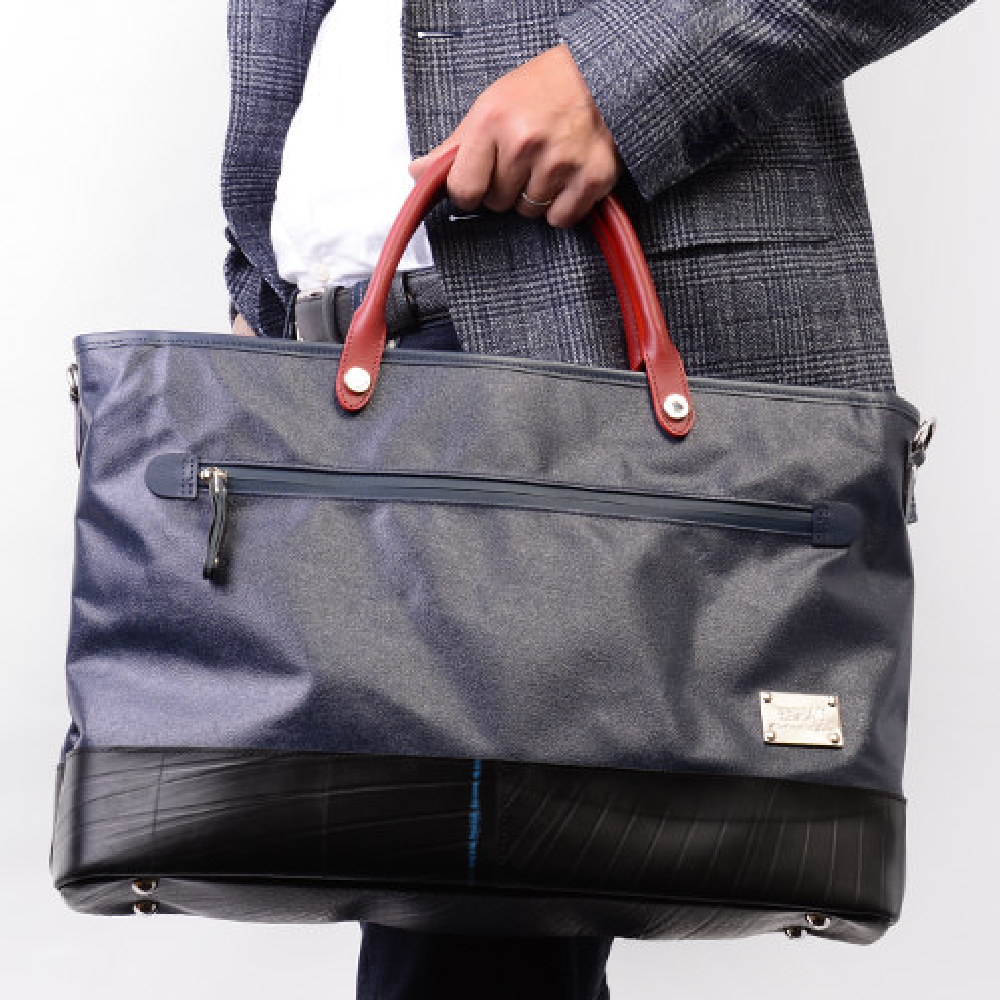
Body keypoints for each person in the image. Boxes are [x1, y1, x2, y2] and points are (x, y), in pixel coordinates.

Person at [221, 2, 975, 997]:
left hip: (564, 326)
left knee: (470, 929)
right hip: (332, 367)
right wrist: (265, 283)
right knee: (460, 932)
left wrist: (610, 84)